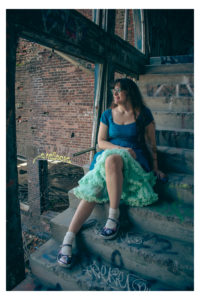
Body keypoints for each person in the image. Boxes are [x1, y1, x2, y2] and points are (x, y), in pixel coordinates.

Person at [57, 78, 167, 268]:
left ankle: (112, 217)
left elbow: (151, 143)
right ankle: (68, 239)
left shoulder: (143, 114)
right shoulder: (107, 114)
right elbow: (101, 142)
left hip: (134, 161)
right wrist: (121, 149)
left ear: (129, 92)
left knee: (111, 160)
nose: (114, 94)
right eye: (113, 90)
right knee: (95, 186)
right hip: (113, 156)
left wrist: (156, 167)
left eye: (118, 90)